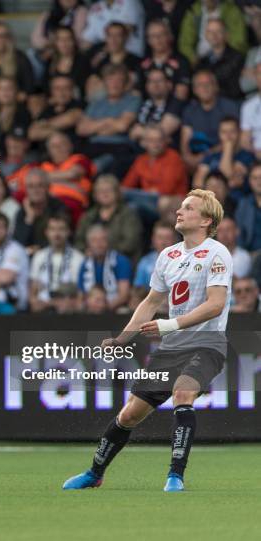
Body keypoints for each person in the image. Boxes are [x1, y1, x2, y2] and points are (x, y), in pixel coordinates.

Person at [63, 189, 232, 492]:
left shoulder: (217, 253)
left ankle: (175, 476)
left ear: (206, 219)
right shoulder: (168, 255)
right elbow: (150, 301)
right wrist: (123, 338)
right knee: (129, 414)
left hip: (207, 343)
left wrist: (170, 324)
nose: (179, 211)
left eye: (188, 208)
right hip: (171, 348)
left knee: (183, 394)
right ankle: (94, 473)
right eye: (180, 206)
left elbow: (216, 304)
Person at [76, 63, 141, 177]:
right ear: (105, 82)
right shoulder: (96, 102)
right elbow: (81, 129)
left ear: (125, 83)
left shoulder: (132, 99)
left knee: (116, 163)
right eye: (111, 80)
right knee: (79, 160)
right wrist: (109, 121)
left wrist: (95, 127)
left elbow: (122, 126)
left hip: (119, 145)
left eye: (119, 81)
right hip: (95, 145)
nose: (114, 84)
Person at [180, 69, 239, 172]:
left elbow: (232, 139)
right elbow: (185, 140)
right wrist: (188, 158)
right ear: (194, 90)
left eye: (208, 84)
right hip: (195, 159)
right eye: (200, 85)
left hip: (222, 156)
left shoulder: (229, 107)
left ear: (216, 87)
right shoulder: (190, 109)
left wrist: (204, 157)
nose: (204, 88)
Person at [75, 174, 143, 261]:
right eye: (100, 191)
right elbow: (79, 240)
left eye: (109, 190)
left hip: (121, 262)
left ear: (117, 193)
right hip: (91, 261)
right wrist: (85, 251)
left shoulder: (128, 215)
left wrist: (104, 253)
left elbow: (130, 243)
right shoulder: (89, 216)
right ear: (95, 195)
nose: (104, 193)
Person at [28, 214, 84, 313]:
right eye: (53, 229)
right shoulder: (38, 257)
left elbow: (80, 294)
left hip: (68, 311)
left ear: (69, 232)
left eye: (61, 229)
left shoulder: (79, 258)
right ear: (46, 232)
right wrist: (34, 302)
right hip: (42, 310)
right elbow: (33, 289)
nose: (57, 234)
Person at [12, 168, 70, 254]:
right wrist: (29, 218)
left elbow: (61, 237)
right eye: (31, 186)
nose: (35, 190)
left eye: (40, 185)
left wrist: (40, 250)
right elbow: (18, 243)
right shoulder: (22, 212)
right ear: (26, 190)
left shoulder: (59, 208)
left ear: (48, 187)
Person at [123, 124, 189, 197]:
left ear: (165, 141)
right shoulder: (141, 159)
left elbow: (166, 189)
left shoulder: (173, 157)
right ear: (144, 143)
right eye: (151, 140)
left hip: (171, 200)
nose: (156, 144)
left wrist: (141, 194)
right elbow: (127, 185)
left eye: (159, 140)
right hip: (147, 198)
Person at [193, 116, 254, 195]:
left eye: (232, 132)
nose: (228, 136)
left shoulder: (246, 156)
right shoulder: (211, 156)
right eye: (224, 132)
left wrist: (228, 148)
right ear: (219, 134)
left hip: (235, 202)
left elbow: (227, 175)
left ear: (239, 133)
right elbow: (197, 183)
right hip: (211, 200)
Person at [77, 224, 132, 311]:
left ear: (108, 242)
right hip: (90, 310)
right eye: (94, 240)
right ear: (88, 244)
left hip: (113, 309)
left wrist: (103, 308)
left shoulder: (120, 261)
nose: (99, 244)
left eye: (102, 240)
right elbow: (81, 296)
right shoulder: (85, 264)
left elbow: (123, 295)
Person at [178, 0, 248, 66]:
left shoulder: (231, 10)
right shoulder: (193, 11)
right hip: (199, 60)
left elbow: (238, 41)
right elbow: (185, 43)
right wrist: (193, 59)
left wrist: (225, 57)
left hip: (225, 59)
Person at [86, 22, 142, 100]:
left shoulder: (135, 61)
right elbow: (91, 86)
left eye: (118, 35)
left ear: (125, 37)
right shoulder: (101, 61)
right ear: (106, 38)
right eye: (110, 35)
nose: (113, 39)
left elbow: (131, 86)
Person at [128, 67, 183, 145]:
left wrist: (141, 132)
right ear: (146, 86)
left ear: (169, 84)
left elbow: (162, 134)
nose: (155, 84)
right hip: (138, 153)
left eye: (160, 80)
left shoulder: (176, 104)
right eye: (151, 81)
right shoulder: (142, 103)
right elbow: (132, 133)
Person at [141, 18, 191, 102]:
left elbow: (181, 94)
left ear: (170, 36)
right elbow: (138, 94)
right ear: (148, 40)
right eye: (153, 36)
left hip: (173, 112)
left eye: (161, 34)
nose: (157, 39)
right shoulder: (143, 64)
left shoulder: (181, 62)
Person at [0, 76, 31, 156]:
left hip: (17, 159)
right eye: (0, 88)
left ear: (16, 91)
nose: (5, 92)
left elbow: (20, 140)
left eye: (9, 88)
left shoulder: (23, 113)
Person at [195, 18, 244, 100]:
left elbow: (234, 88)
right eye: (210, 32)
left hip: (229, 102)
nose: (214, 35)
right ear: (206, 35)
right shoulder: (202, 61)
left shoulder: (237, 57)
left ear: (226, 34)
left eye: (218, 31)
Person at [28, 75, 84, 146]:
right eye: (57, 88)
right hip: (47, 154)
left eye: (66, 88)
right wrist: (60, 131)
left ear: (72, 90)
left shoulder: (79, 104)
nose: (61, 92)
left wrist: (43, 125)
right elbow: (32, 134)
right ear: (51, 91)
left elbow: (70, 118)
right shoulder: (47, 110)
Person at [80, 0, 145, 57]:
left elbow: (124, 32)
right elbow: (87, 40)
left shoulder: (129, 2)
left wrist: (101, 55)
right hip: (107, 57)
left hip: (130, 54)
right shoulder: (96, 7)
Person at [41, 25, 91, 98]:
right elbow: (45, 86)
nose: (64, 43)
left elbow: (83, 88)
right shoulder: (50, 61)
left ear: (74, 41)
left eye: (68, 39)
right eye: (60, 39)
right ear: (55, 43)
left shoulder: (82, 61)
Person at [133, 221, 178, 287]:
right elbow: (137, 289)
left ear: (174, 240)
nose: (163, 242)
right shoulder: (145, 261)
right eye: (160, 237)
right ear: (153, 239)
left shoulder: (182, 261)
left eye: (167, 238)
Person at [235, 163, 261, 252]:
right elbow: (239, 233)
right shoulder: (244, 204)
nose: (259, 181)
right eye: (255, 178)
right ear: (250, 181)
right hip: (250, 254)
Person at [240, 62, 261, 160]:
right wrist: (256, 153)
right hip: (254, 154)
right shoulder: (248, 106)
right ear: (255, 77)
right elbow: (245, 140)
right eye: (259, 73)